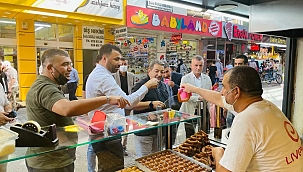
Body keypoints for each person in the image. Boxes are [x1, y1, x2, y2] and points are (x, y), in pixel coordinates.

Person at [25, 48, 130, 172]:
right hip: (51, 162)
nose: (70, 69)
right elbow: (66, 108)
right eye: (64, 64)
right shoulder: (45, 88)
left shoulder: (49, 85)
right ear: (50, 68)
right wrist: (106, 99)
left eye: (70, 64)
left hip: (56, 158)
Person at [181, 66, 303, 171]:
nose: (222, 92)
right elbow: (218, 98)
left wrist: (218, 153)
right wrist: (194, 89)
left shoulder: (246, 120)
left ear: (236, 92)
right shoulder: (267, 107)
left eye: (224, 87)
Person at [85, 44, 158, 171]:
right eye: (116, 59)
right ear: (104, 58)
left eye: (120, 59)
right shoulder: (103, 77)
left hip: (108, 131)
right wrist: (147, 86)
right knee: (113, 167)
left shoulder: (102, 74)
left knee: (110, 167)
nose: (119, 63)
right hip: (106, 135)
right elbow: (128, 102)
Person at [131, 59, 167, 158]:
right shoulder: (141, 85)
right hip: (144, 131)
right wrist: (150, 104)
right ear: (149, 71)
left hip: (159, 130)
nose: (159, 74)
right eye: (156, 71)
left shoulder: (163, 85)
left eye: (162, 72)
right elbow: (131, 104)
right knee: (144, 160)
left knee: (156, 160)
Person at [179, 55, 212, 138]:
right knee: (190, 134)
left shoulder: (207, 78)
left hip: (204, 109)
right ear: (191, 66)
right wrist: (199, 98)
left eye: (200, 65)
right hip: (190, 110)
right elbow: (184, 97)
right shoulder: (185, 79)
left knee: (205, 133)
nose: (198, 68)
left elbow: (210, 93)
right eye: (196, 65)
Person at [113, 57, 136, 156]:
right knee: (118, 125)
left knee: (127, 125)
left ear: (128, 65)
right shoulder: (113, 76)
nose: (123, 66)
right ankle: (116, 145)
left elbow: (134, 89)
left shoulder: (132, 76)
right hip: (117, 104)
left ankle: (124, 146)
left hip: (128, 103)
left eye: (125, 64)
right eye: (121, 64)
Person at [226, 54, 248, 128]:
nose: (237, 66)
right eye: (235, 64)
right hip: (231, 109)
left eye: (240, 64)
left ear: (246, 65)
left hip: (243, 110)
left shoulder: (250, 79)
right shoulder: (231, 77)